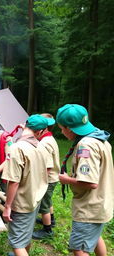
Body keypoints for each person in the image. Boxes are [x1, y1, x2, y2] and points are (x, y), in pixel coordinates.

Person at [56, 104, 114, 256]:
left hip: (90, 208)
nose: (62, 132)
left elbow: (90, 182)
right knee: (94, 238)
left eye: (62, 128)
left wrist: (66, 179)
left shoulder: (85, 145)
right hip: (101, 203)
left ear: (69, 128)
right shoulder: (99, 138)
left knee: (80, 248)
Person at [2, 115, 50, 256]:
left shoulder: (17, 148)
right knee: (26, 233)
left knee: (17, 243)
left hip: (22, 202)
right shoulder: (42, 146)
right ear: (40, 132)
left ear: (25, 125)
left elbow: (14, 181)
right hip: (35, 198)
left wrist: (7, 206)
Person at [32, 113, 60, 239]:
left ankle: (47, 230)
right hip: (53, 178)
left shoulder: (45, 143)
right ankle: (51, 220)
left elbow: (47, 167)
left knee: (44, 204)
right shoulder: (49, 138)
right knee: (48, 201)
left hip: (48, 179)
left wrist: (40, 182)